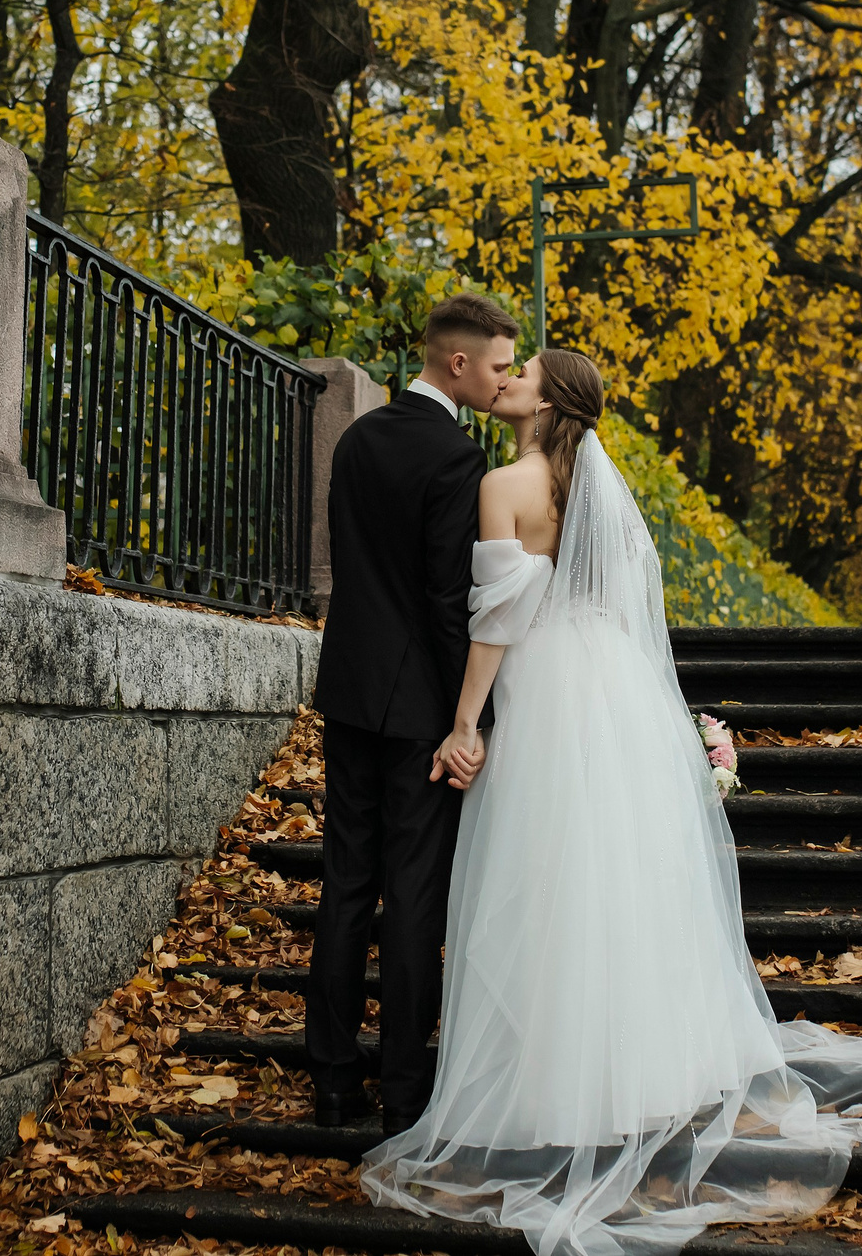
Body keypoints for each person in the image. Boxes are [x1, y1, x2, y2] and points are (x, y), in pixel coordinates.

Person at [359, 348, 862, 1256]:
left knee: (542, 886)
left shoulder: (506, 483)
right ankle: (637, 1084)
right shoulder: (600, 493)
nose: (507, 380)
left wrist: (467, 724)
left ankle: (551, 1091)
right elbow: (623, 617)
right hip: (613, 693)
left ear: (549, 399)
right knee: (615, 885)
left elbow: (496, 621)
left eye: (524, 373)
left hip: (547, 694)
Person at [306, 292, 519, 1133]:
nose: (504, 379)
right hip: (419, 710)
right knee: (414, 895)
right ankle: (401, 1089)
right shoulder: (456, 459)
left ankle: (330, 1083)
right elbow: (445, 601)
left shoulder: (357, 439)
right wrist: (472, 719)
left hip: (348, 691)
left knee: (345, 885)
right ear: (457, 362)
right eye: (499, 364)